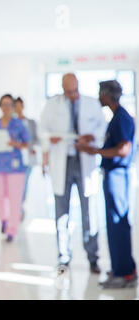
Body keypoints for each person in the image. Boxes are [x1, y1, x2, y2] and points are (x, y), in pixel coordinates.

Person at [39, 73, 107, 275]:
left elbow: (102, 127)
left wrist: (93, 137)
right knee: (61, 213)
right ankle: (63, 257)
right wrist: (49, 140)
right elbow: (43, 129)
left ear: (79, 86)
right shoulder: (53, 104)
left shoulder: (91, 103)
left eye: (75, 90)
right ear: (62, 89)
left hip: (84, 160)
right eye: (69, 92)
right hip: (62, 160)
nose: (73, 94)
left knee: (89, 213)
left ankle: (93, 257)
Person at [76, 80, 137, 288]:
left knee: (117, 222)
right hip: (113, 175)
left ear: (107, 94)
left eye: (100, 93)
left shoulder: (122, 117)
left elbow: (123, 149)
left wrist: (95, 152)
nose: (98, 97)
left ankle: (124, 273)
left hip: (117, 175)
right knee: (115, 223)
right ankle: (124, 267)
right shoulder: (117, 117)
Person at [0, 94, 31, 242]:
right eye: (3, 104)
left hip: (15, 166)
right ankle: (4, 220)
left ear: (13, 107)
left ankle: (12, 229)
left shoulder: (18, 124)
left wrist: (15, 144)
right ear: (0, 106)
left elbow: (27, 143)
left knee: (14, 198)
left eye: (9, 105)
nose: (6, 108)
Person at [14, 97, 39, 221]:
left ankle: (20, 206)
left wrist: (30, 146)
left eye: (20, 106)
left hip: (28, 158)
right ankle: (17, 206)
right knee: (16, 184)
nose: (18, 108)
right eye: (15, 106)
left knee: (24, 183)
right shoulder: (11, 123)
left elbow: (35, 138)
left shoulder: (31, 122)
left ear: (23, 106)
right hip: (15, 159)